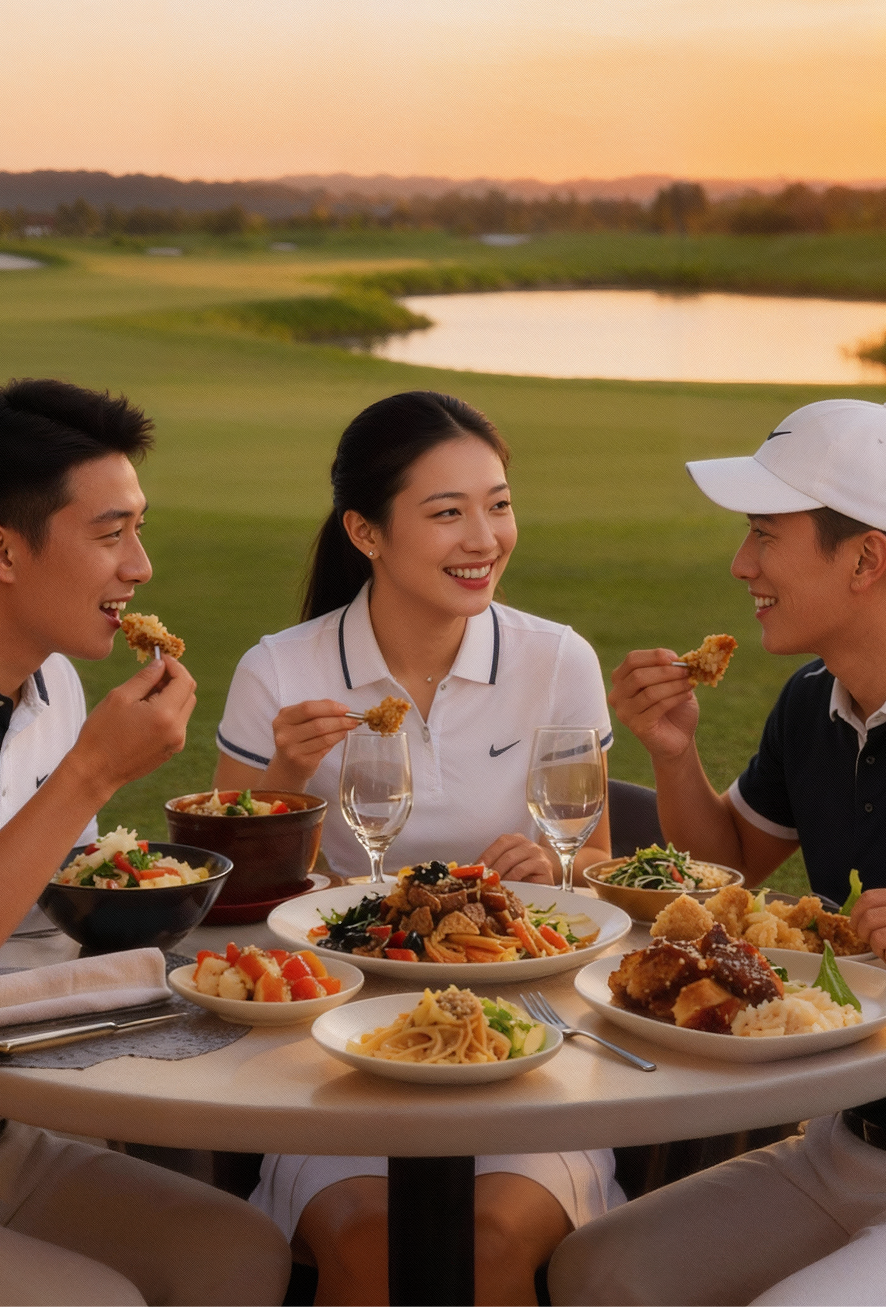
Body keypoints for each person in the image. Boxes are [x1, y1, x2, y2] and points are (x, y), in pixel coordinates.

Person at [215, 389, 623, 1307]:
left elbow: (596, 866)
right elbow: (232, 899)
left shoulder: (559, 660)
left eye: (498, 503)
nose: (484, 537)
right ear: (365, 531)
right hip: (329, 1054)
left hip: (529, 1040)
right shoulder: (279, 670)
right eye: (447, 513)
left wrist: (552, 868)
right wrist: (281, 773)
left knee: (481, 1247)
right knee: (368, 1244)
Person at [548, 397, 886, 1307]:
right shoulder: (813, 700)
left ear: (866, 557)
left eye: (765, 537)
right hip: (853, 1139)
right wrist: (671, 749)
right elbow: (731, 858)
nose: (743, 565)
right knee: (597, 1273)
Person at [0, 379, 292, 1307]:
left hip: (14, 1116)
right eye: (109, 533)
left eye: (140, 528)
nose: (142, 567)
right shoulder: (78, 740)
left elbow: (55, 902)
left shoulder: (56, 690)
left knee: (235, 1253)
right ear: (5, 550)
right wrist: (91, 774)